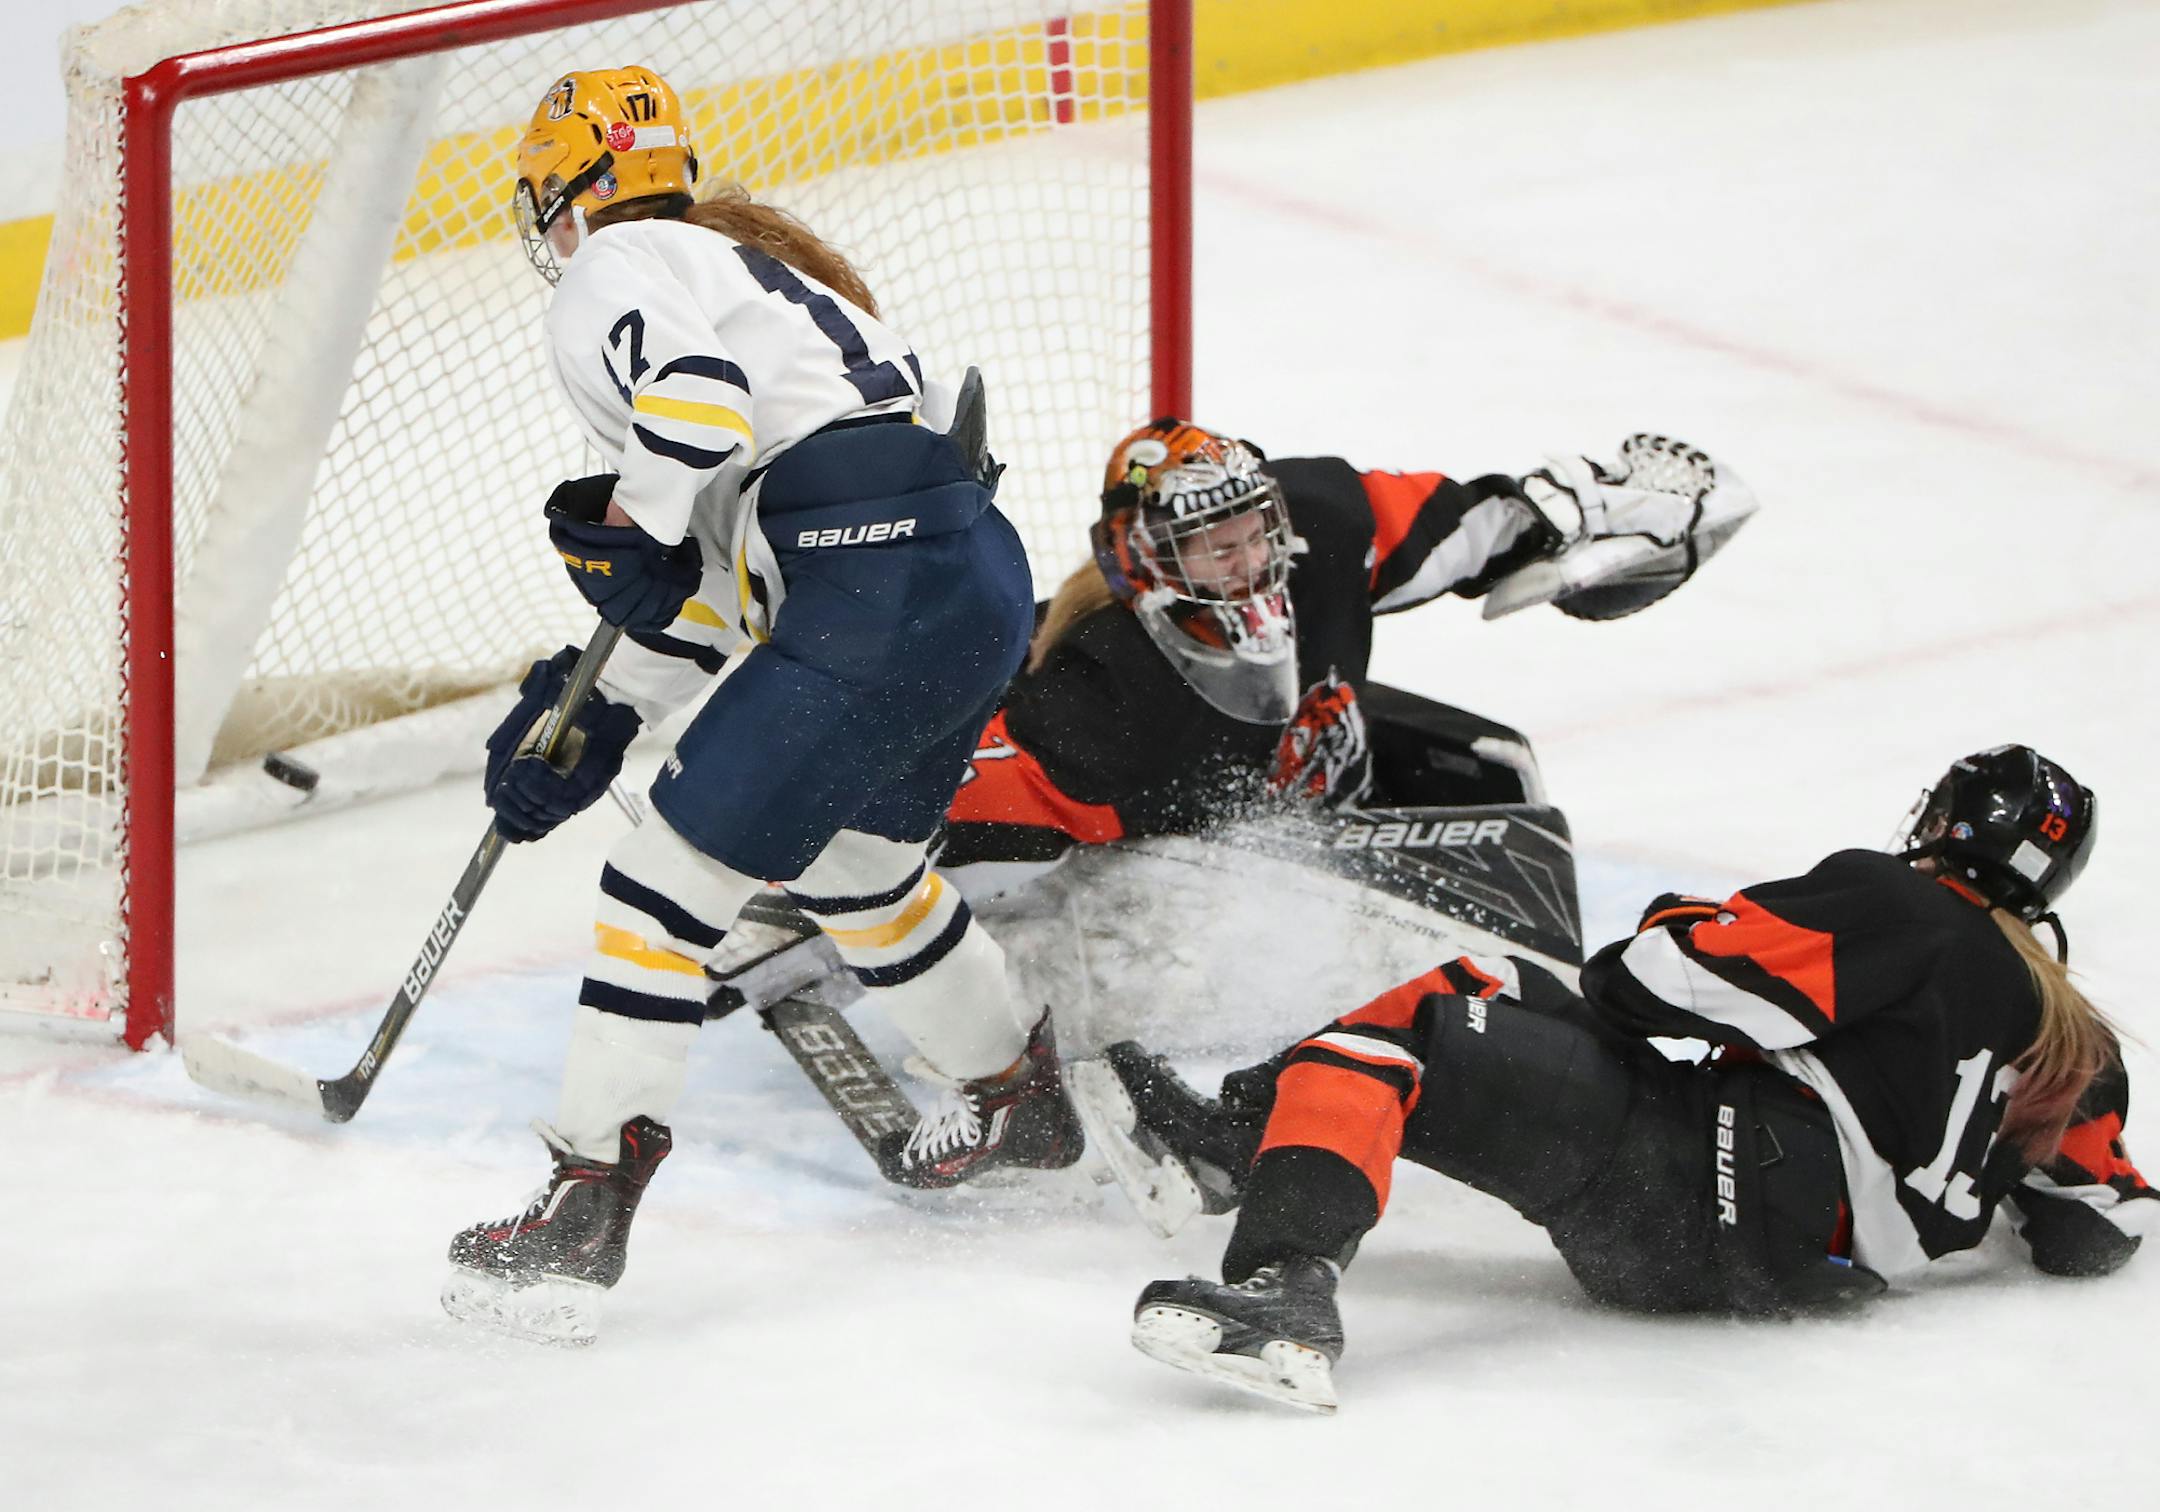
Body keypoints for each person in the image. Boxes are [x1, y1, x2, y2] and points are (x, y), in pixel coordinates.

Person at [442, 68, 1081, 1342]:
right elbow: (728, 587)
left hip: (873, 571)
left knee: (658, 887)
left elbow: (687, 415)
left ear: (572, 190)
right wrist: (590, 720)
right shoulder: (748, 278)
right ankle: (1017, 1091)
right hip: (959, 577)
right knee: (856, 868)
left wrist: (625, 525)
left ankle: (585, 1191)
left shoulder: (612, 268)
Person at [1072, 745, 2152, 1412]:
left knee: (1407, 1040)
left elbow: (1644, 982)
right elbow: (2094, 1229)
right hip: (1774, 1270)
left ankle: (1280, 1291)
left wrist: (1685, 921)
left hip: (1686, 1190)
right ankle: (1235, 1145)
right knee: (1481, 984)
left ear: (1944, 823)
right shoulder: (2079, 1045)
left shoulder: (1899, 907)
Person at [938, 420, 1756, 894]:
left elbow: (1481, 528)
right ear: (1144, 560)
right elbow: (945, 803)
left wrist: (1583, 511)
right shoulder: (1096, 697)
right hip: (1193, 889)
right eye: (1212, 549)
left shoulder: (1326, 528)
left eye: (1254, 533)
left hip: (1341, 825)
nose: (1248, 564)